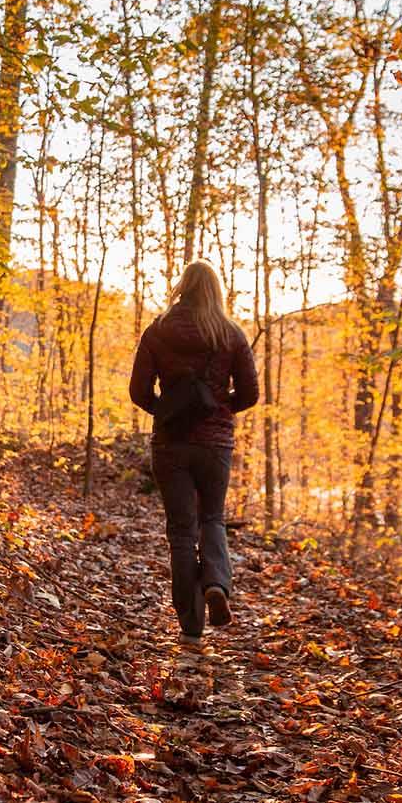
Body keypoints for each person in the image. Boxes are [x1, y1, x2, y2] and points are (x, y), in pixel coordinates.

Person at [128, 260, 260, 641]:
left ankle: (191, 626)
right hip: (215, 444)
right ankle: (217, 583)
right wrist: (218, 410)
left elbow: (139, 392)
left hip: (170, 444)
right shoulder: (231, 333)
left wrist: (168, 412)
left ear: (182, 287)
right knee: (213, 519)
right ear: (215, 291)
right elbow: (250, 395)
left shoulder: (158, 330)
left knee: (182, 532)